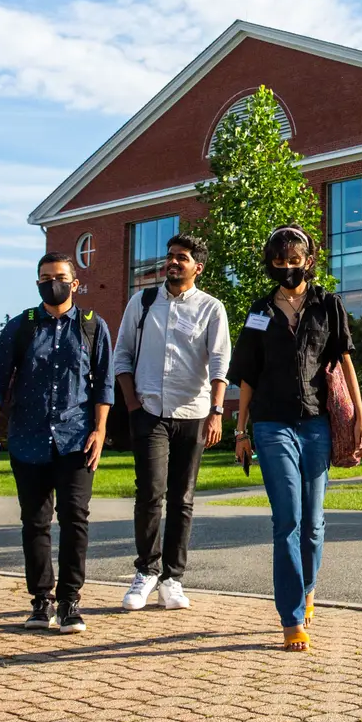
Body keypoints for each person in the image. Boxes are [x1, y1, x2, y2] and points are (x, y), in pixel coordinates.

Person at [230, 224, 362, 651]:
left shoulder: (328, 305)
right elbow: (248, 376)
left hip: (315, 424)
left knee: (313, 522)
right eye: (280, 262)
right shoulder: (258, 312)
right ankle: (291, 618)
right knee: (286, 520)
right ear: (270, 264)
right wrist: (241, 429)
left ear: (309, 261)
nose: (288, 268)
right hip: (271, 424)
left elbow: (345, 364)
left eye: (295, 261)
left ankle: (309, 589)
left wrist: (361, 419)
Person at [0, 252, 114, 634]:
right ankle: (41, 602)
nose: (50, 282)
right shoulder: (20, 327)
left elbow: (104, 383)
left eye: (58, 276)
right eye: (43, 277)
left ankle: (70, 602)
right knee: (35, 523)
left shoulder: (92, 326)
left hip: (77, 440)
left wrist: (100, 430)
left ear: (74, 282)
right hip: (28, 439)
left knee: (75, 519)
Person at [114, 232, 231, 612]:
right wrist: (133, 405)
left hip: (194, 414)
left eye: (182, 257)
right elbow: (122, 357)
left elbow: (219, 363)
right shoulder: (142, 302)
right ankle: (146, 571)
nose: (173, 262)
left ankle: (173, 579)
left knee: (182, 498)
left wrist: (216, 411)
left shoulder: (211, 308)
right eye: (170, 256)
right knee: (150, 492)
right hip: (149, 413)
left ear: (198, 267)